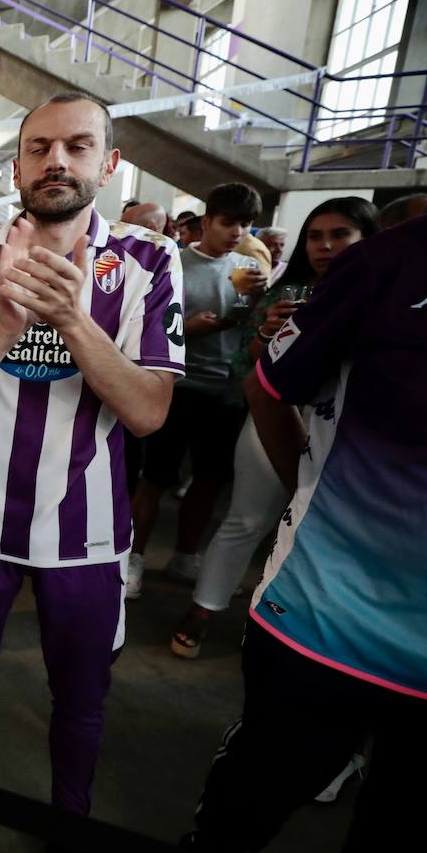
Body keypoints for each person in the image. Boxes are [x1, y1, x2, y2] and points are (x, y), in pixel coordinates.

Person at [0, 92, 184, 853]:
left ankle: (70, 826)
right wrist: (11, 325)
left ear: (108, 163)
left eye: (79, 147)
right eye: (40, 147)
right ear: (17, 164)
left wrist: (72, 316)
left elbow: (150, 411)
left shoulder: (148, 260)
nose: (58, 161)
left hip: (87, 533)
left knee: (82, 700)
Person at [183, 213, 427, 853]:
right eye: (315, 237)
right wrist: (310, 492)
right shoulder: (389, 263)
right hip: (327, 619)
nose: (324, 247)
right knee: (245, 808)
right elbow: (265, 386)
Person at [168, 197, 381, 658]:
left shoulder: (388, 298)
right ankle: (202, 610)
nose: (325, 246)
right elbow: (251, 364)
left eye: (339, 235)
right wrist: (267, 332)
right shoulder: (291, 292)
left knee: (327, 530)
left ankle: (296, 632)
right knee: (245, 518)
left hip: (355, 431)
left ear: (369, 239)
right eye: (315, 236)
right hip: (279, 413)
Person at [127, 182, 266, 597]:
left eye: (245, 224)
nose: (237, 232)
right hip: (177, 386)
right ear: (206, 221)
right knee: (155, 479)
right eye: (228, 222)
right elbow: (145, 327)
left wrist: (253, 302)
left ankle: (186, 556)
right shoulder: (174, 264)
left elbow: (245, 328)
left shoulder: (245, 271)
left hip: (224, 391)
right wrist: (188, 328)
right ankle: (133, 558)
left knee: (209, 480)